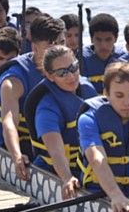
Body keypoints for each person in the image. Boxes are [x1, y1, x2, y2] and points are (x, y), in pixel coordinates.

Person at [0, 14, 64, 181]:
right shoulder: (14, 80)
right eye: (51, 46)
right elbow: (9, 122)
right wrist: (17, 157)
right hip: (20, 145)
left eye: (61, 43)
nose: (59, 51)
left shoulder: (68, 70)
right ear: (35, 48)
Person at [77, 62, 129, 212]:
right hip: (99, 191)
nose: (127, 102)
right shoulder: (89, 118)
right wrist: (116, 195)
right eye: (119, 96)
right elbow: (97, 158)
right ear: (106, 94)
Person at [25, 45, 97, 197]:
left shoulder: (88, 89)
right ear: (50, 76)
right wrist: (67, 178)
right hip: (54, 170)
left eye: (73, 68)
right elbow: (56, 151)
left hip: (85, 167)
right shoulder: (47, 109)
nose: (71, 76)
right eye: (62, 73)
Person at [81, 13, 127, 94]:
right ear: (91, 39)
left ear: (116, 39)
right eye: (98, 40)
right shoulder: (82, 59)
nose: (103, 45)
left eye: (108, 39)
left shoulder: (123, 57)